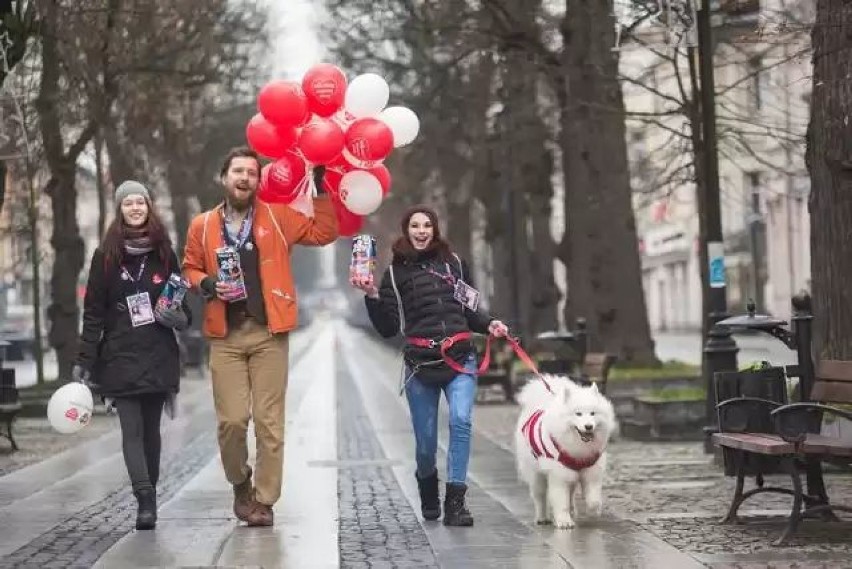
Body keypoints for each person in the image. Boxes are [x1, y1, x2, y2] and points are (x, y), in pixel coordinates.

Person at [182, 147, 338, 527]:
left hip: (269, 333)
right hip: (225, 336)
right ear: (224, 177)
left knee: (270, 423)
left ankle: (265, 501)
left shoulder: (277, 217)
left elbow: (323, 232)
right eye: (237, 171)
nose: (244, 178)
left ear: (258, 180)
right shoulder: (202, 225)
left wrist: (320, 188)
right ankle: (240, 483)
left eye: (252, 173)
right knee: (232, 422)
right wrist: (207, 283)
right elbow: (190, 267)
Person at [351, 205, 509, 526]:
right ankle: (427, 486)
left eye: (427, 226)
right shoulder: (394, 275)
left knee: (461, 422)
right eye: (415, 226)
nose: (421, 231)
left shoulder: (455, 265)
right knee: (425, 444)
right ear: (406, 231)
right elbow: (388, 328)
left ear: (434, 230)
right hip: (421, 365)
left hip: (460, 357)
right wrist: (371, 296)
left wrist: (490, 323)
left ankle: (456, 502)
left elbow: (471, 309)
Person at [73, 180, 191, 530]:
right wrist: (85, 358)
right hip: (119, 354)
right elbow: (93, 311)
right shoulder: (105, 256)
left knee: (152, 434)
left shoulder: (165, 252)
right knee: (132, 432)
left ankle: (149, 492)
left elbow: (184, 305)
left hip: (158, 352)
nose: (136, 208)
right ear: (120, 210)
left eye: (141, 202)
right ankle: (145, 500)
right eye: (129, 204)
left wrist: (179, 317)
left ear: (149, 207)